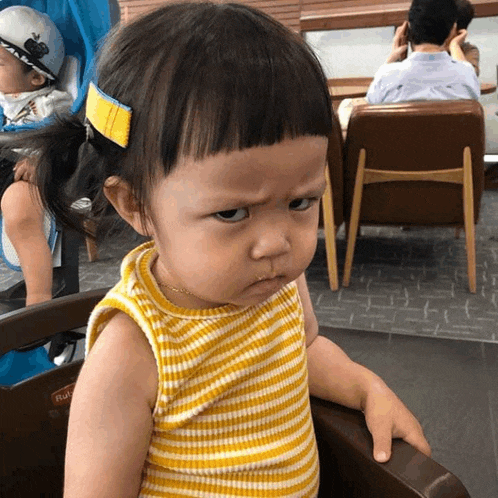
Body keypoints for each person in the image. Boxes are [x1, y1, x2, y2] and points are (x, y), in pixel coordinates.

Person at [23, 3, 430, 496]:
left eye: (301, 201)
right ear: (135, 205)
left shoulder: (275, 285)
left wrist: (366, 388)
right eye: (233, 213)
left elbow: (299, 353)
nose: (276, 244)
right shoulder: (132, 353)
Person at [0, 6, 72, 305]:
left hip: (35, 173)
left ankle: (39, 300)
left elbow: (69, 137)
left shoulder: (50, 104)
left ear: (36, 78)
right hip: (6, 162)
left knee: (19, 207)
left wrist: (42, 159)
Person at [366, 0, 480, 104]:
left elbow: (369, 110)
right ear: (452, 31)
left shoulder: (386, 76)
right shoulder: (467, 74)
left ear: (409, 28)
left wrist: (392, 57)